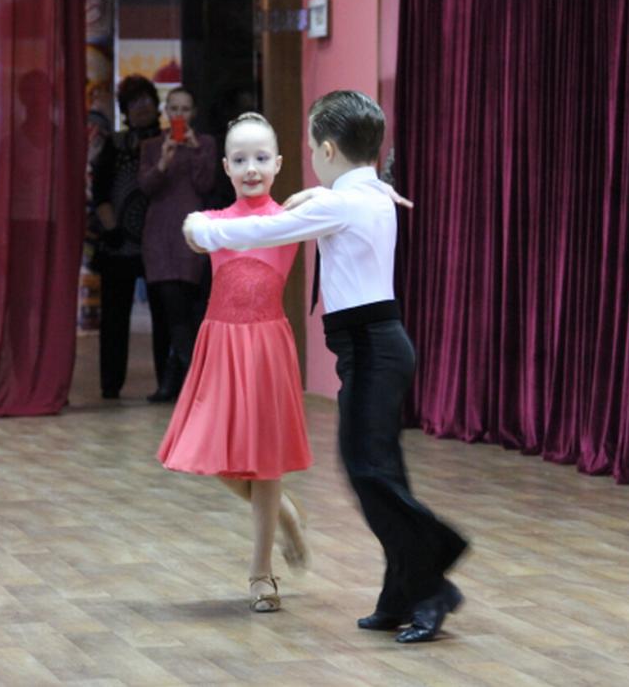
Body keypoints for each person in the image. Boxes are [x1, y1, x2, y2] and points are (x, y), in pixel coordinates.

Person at [183, 91, 468, 642]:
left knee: (370, 475)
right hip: (374, 347)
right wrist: (325, 191)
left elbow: (260, 231)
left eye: (313, 147)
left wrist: (200, 227)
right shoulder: (367, 194)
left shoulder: (342, 204)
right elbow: (340, 197)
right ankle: (399, 594)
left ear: (329, 150)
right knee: (378, 476)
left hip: (372, 348)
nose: (311, 157)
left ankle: (434, 579)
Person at [158, 112, 311, 612]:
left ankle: (261, 574)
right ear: (225, 167)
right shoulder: (213, 221)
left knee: (265, 463)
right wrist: (195, 225)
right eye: (240, 159)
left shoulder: (290, 219)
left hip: (266, 347)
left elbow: (328, 209)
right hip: (221, 345)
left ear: (278, 163)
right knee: (212, 451)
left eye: (261, 158)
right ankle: (284, 511)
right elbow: (193, 231)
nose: (251, 168)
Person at [139, 87, 217, 402]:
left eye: (185, 109)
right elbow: (146, 187)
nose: (179, 115)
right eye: (174, 109)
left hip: (190, 236)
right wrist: (163, 161)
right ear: (166, 111)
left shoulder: (206, 144)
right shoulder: (151, 145)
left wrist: (195, 151)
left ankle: (186, 382)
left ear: (193, 113)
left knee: (185, 311)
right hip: (158, 237)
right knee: (169, 311)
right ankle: (182, 382)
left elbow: (205, 184)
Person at [90, 75, 162, 399]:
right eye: (134, 102)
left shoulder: (168, 141)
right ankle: (110, 385)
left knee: (165, 315)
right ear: (125, 109)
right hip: (119, 241)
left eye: (146, 100)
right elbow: (100, 191)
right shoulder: (114, 143)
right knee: (114, 317)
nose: (141, 107)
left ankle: (167, 384)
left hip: (159, 242)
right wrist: (112, 229)